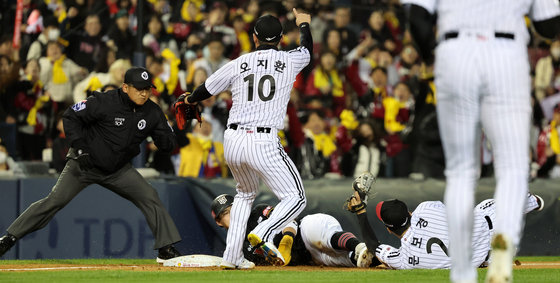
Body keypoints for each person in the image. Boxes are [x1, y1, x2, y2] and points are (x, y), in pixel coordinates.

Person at [402, 0, 560, 282]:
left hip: (455, 53)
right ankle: (503, 246)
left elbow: (417, 16)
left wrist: (431, 56)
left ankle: (463, 271)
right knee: (513, 166)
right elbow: (549, 25)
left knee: (460, 172)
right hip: (506, 53)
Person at [0, 67, 182, 262]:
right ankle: (8, 238)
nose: (144, 93)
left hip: (117, 170)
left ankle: (165, 249)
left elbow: (168, 145)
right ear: (125, 87)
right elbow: (70, 116)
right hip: (84, 164)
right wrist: (79, 147)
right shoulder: (105, 101)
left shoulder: (152, 112)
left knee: (150, 196)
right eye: (139, 88)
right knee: (55, 201)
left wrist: (174, 131)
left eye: (147, 89)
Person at [177, 9, 313, 269]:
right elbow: (307, 49)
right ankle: (263, 233)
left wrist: (189, 99)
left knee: (244, 194)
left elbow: (207, 87)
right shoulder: (290, 60)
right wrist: (304, 23)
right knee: (296, 197)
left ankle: (232, 257)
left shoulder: (240, 62)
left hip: (234, 140)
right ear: (281, 38)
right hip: (263, 140)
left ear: (254, 37)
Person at [346, 189, 544, 270]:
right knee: (489, 206)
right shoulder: (425, 208)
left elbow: (373, 245)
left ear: (389, 230)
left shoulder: (404, 258)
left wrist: (361, 212)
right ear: (409, 211)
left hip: (476, 259)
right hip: (487, 225)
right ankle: (532, 202)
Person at [211, 194, 372, 268]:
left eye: (233, 209)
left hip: (304, 233)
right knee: (356, 262)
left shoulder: (258, 211)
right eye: (225, 213)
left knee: (326, 236)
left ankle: (358, 246)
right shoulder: (235, 248)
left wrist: (286, 242)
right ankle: (381, 257)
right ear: (218, 222)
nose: (232, 214)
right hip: (312, 259)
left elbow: (290, 220)